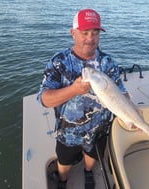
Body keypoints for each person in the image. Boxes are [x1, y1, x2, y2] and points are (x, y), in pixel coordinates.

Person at [37, 9, 128, 189]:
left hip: (99, 129)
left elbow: (122, 94)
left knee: (92, 155)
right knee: (64, 160)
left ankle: (88, 173)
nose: (90, 38)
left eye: (95, 33)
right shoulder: (59, 61)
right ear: (73, 33)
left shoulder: (108, 62)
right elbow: (44, 99)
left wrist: (130, 115)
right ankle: (63, 180)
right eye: (84, 32)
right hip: (68, 132)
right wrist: (73, 90)